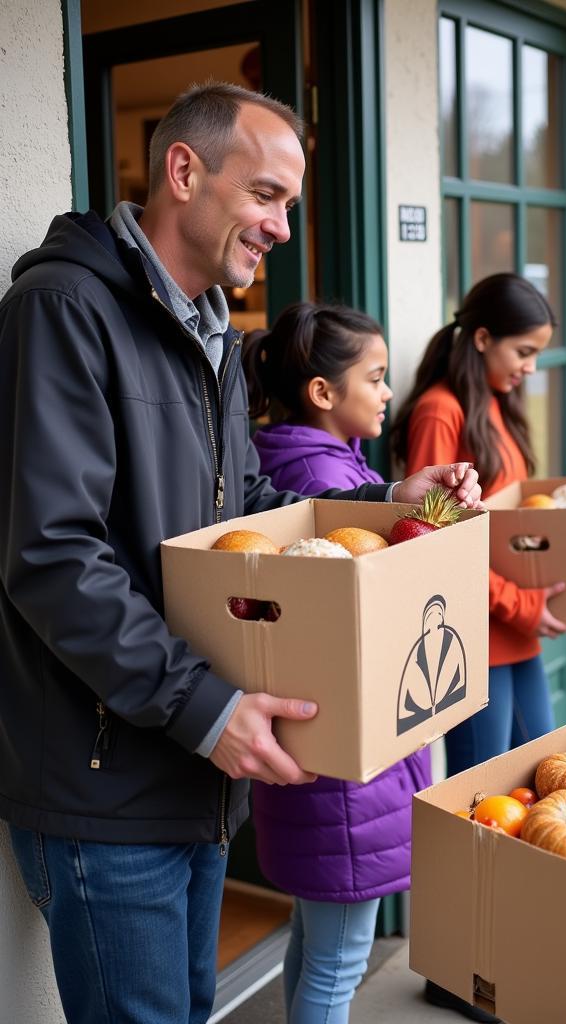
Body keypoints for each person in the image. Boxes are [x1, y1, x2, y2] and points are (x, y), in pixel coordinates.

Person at [0, 82, 479, 1024]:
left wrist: (384, 503)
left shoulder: (213, 329)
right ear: (184, 171)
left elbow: (249, 513)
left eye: (290, 204)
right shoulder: (62, 310)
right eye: (267, 195)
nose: (284, 227)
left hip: (198, 770)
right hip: (109, 782)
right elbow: (51, 554)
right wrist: (206, 706)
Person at [241, 301, 433, 1024]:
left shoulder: (309, 466)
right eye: (376, 377)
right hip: (350, 777)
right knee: (339, 962)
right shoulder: (320, 483)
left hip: (328, 764)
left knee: (316, 944)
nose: (388, 391)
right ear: (323, 392)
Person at [391, 271, 565, 1022]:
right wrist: (521, 603)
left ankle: (507, 947)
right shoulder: (440, 410)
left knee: (544, 786)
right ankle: (458, 967)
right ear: (484, 338)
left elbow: (503, 516)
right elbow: (441, 541)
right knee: (477, 814)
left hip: (517, 637)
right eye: (524, 352)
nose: (532, 367)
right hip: (473, 640)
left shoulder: (496, 402)